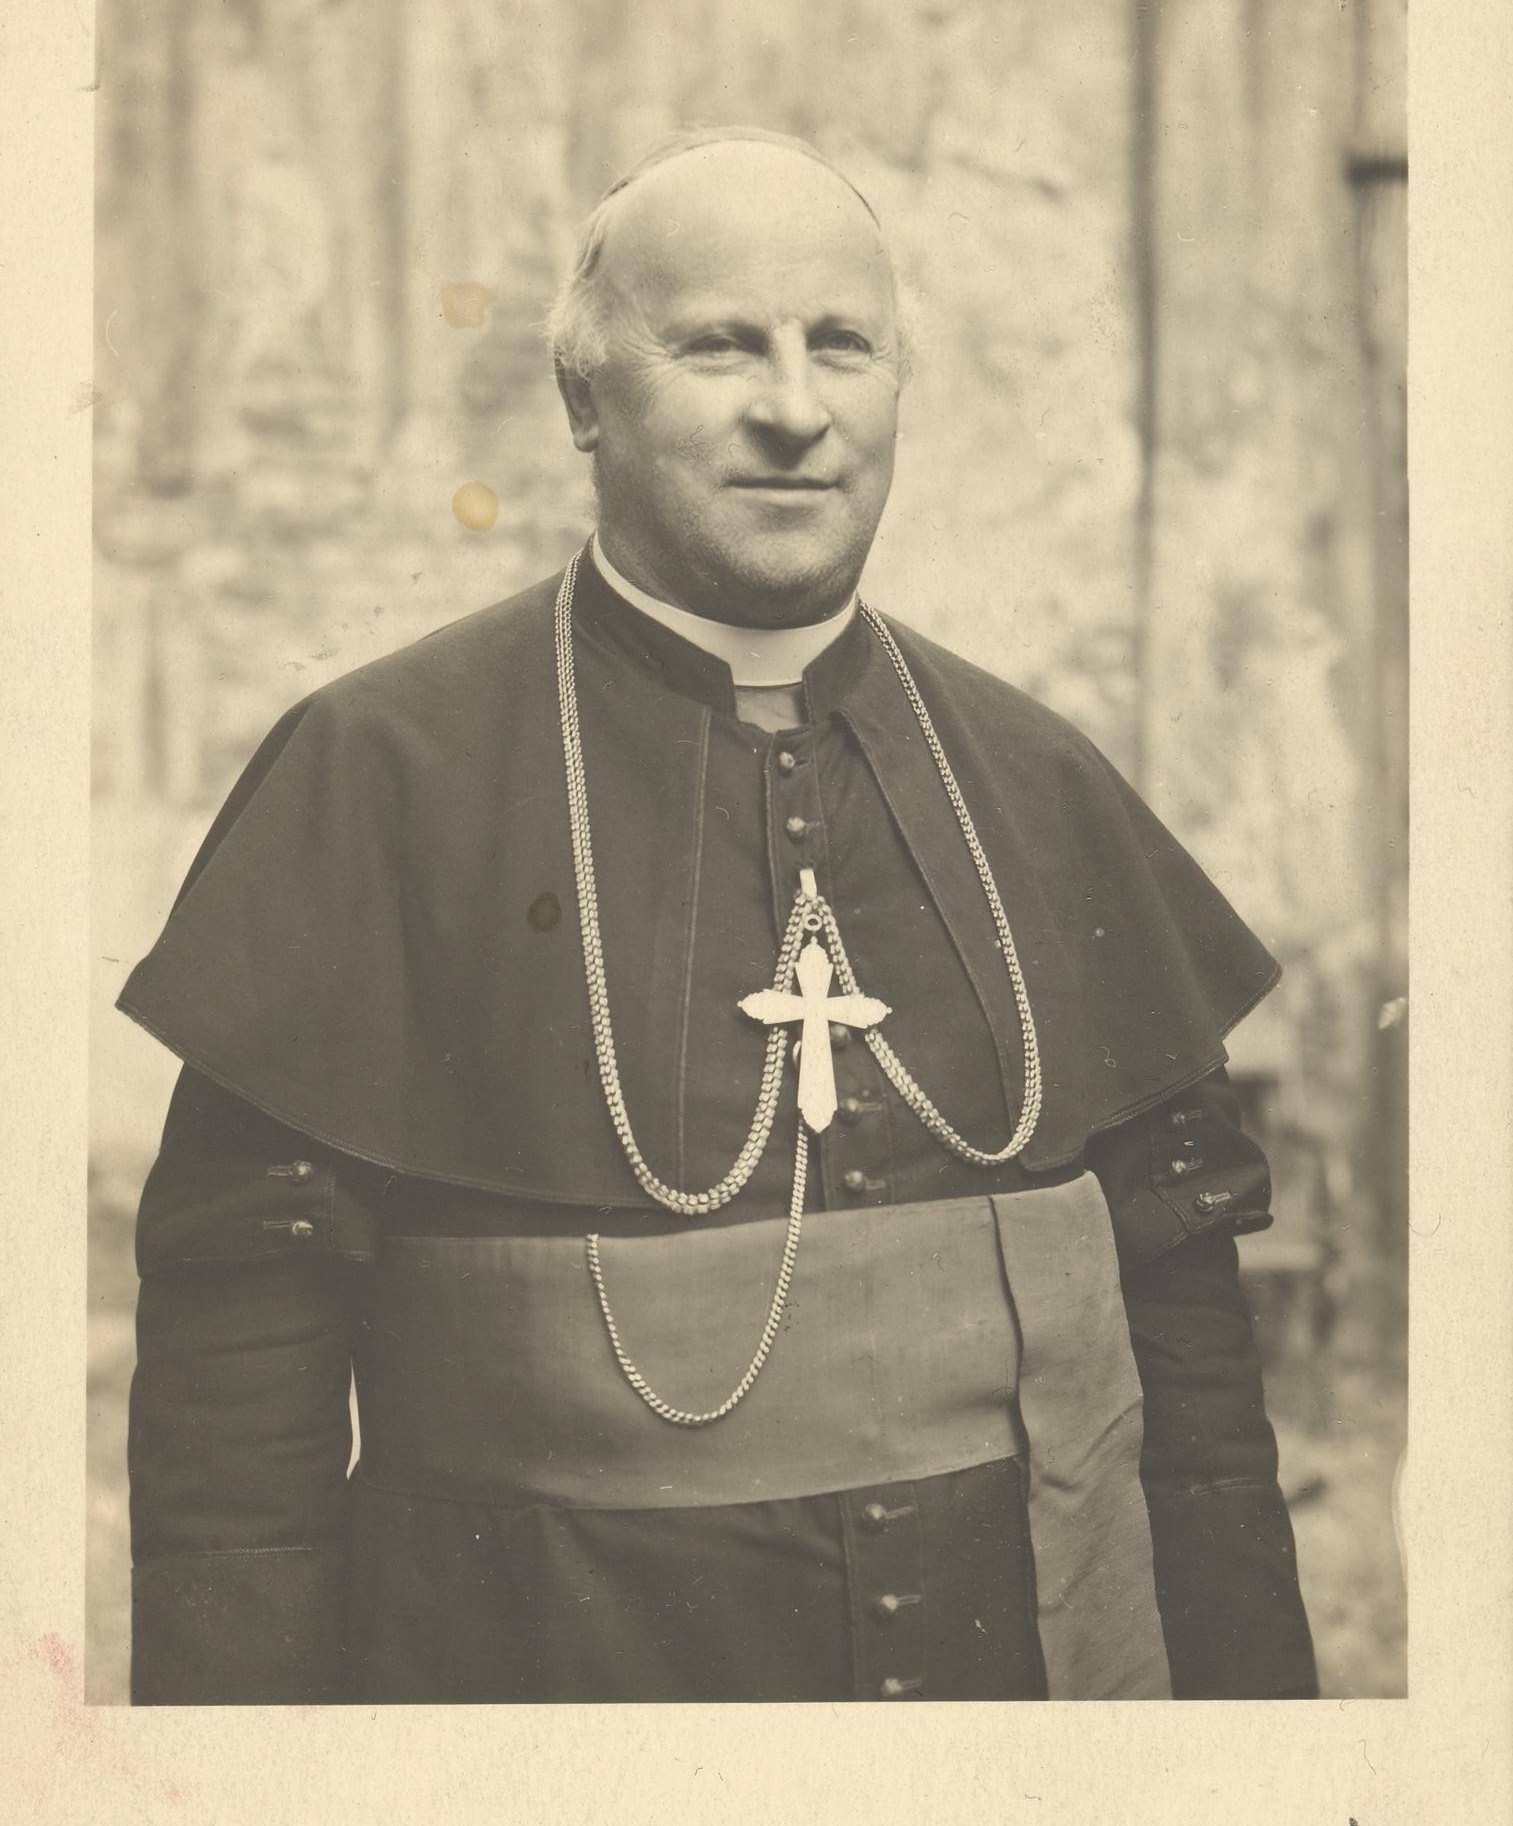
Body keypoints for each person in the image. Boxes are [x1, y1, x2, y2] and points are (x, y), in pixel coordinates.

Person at [120, 126, 1317, 1705]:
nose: (794, 408)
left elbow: (1198, 1389)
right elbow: (237, 1417)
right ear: (582, 399)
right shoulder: (379, 770)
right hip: (536, 1696)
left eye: (842, 345)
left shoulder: (1037, 778)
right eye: (718, 345)